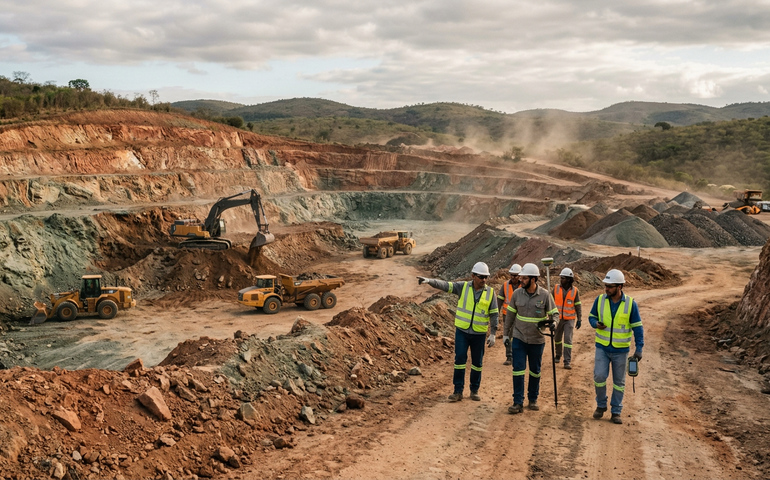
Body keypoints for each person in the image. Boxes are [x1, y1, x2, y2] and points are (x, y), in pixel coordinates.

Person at [418, 262, 499, 402]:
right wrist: (430, 281)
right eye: (481, 277)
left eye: (486, 277)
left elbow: (494, 314)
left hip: (479, 334)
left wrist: (493, 333)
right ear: (473, 276)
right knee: (460, 360)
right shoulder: (463, 287)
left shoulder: (490, 293)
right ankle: (458, 391)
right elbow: (446, 285)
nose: (484, 280)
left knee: (477, 363)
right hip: (462, 331)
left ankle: (474, 390)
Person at [588, 269, 644, 425]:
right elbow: (591, 316)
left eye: (610, 286)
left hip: (621, 351)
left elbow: (638, 327)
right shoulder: (599, 300)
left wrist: (639, 348)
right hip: (602, 348)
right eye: (605, 286)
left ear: (619, 287)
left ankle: (616, 411)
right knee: (599, 377)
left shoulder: (630, 304)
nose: (606, 289)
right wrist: (595, 324)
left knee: (619, 383)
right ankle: (600, 405)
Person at [504, 263, 559, 414]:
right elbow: (509, 316)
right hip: (519, 338)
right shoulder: (516, 294)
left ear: (534, 279)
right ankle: (517, 402)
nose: (521, 280)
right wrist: (504, 335)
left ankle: (533, 399)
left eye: (525, 277)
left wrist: (554, 322)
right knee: (518, 370)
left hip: (537, 340)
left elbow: (555, 313)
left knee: (535, 371)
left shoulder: (545, 295)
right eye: (521, 277)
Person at [553, 268, 582, 370]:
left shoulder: (575, 291)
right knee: (557, 338)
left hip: (569, 319)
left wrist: (579, 319)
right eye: (561, 278)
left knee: (568, 340)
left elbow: (578, 305)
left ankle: (567, 361)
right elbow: (550, 303)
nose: (561, 280)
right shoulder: (556, 288)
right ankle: (558, 354)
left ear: (569, 279)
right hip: (557, 319)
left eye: (563, 278)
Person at [498, 264, 522, 366]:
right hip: (507, 315)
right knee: (507, 335)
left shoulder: (524, 286)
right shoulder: (505, 285)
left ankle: (518, 355)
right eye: (512, 275)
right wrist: (496, 313)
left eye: (515, 275)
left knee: (519, 336)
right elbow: (499, 300)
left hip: (520, 316)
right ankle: (509, 356)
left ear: (520, 276)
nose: (513, 277)